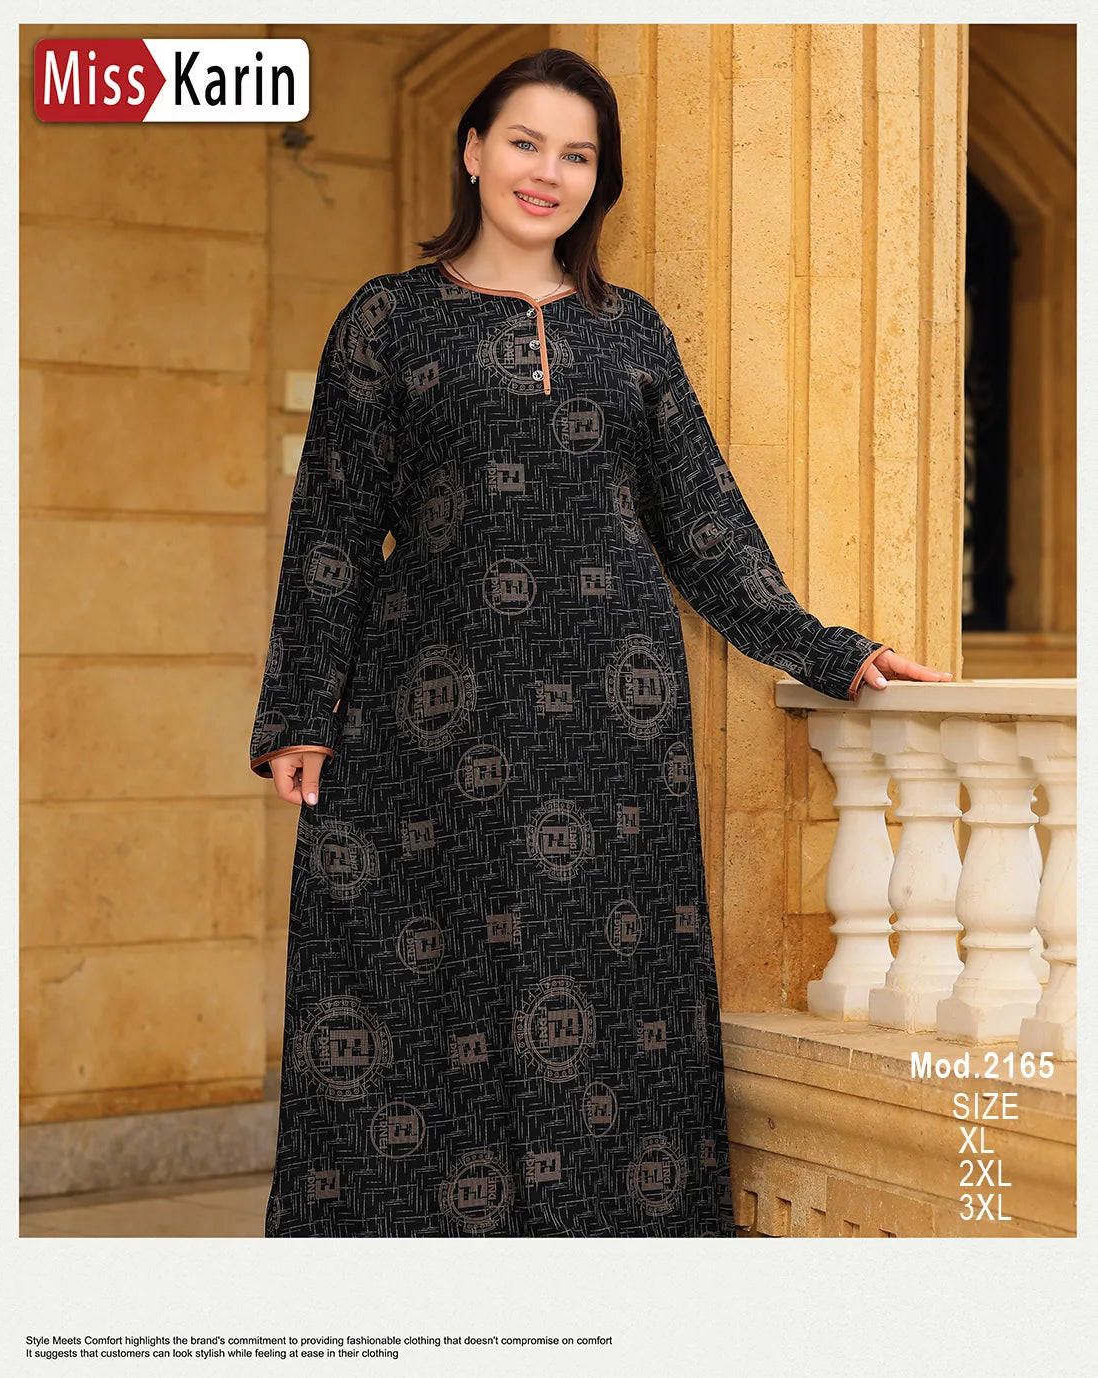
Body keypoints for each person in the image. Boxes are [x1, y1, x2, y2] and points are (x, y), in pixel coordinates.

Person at [248, 47, 950, 1238]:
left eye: (577, 155)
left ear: (597, 181)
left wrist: (830, 648)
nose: (547, 173)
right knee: (432, 984)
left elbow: (705, 526)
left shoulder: (631, 336)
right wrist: (300, 713)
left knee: (606, 985)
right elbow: (329, 530)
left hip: (612, 736)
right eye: (524, 142)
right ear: (472, 150)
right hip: (437, 722)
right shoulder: (389, 318)